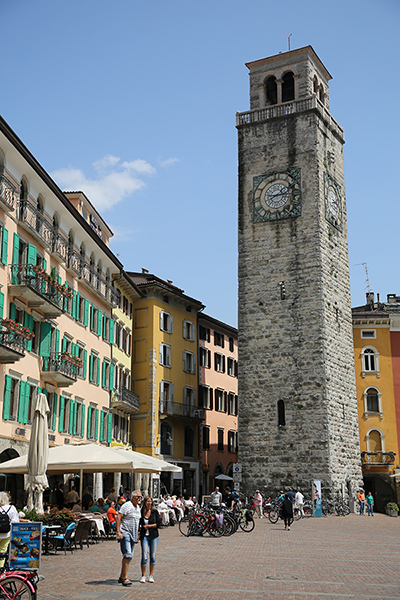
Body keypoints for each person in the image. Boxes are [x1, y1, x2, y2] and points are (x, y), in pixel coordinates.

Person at [116, 489, 142, 586]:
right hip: (125, 532)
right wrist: (118, 532)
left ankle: (121, 576)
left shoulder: (138, 508)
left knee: (129, 556)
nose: (140, 499)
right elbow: (118, 517)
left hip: (133, 534)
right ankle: (125, 578)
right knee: (128, 554)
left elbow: (137, 522)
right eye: (138, 497)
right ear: (133, 497)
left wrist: (137, 535)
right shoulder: (127, 505)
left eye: (141, 497)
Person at [139, 497, 162, 583]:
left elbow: (159, 524)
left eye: (150, 501)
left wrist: (149, 526)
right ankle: (143, 575)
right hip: (144, 536)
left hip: (154, 536)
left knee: (153, 556)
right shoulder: (141, 512)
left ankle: (151, 575)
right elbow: (138, 523)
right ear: (145, 502)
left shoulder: (154, 512)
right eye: (148, 501)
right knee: (144, 556)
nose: (149, 503)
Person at [0, 492, 21, 567]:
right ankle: (1, 568)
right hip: (6, 534)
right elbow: (15, 522)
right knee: (3, 550)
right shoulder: (11, 508)